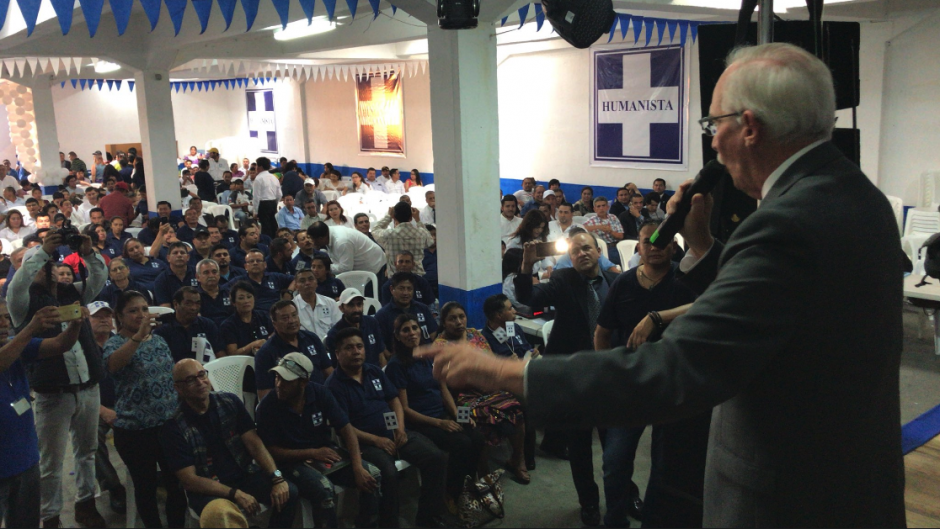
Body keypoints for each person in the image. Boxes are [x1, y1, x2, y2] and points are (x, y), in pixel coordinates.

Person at [420, 42, 907, 528]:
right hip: (854, 477)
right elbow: (770, 312)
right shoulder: (858, 198)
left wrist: (504, 374)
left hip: (793, 498)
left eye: (715, 125)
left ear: (751, 126)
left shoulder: (785, 224)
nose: (713, 143)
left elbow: (677, 367)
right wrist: (701, 249)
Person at [594, 220, 702, 528]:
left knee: (664, 465)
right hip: (630, 384)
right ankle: (614, 519)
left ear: (672, 245)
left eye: (662, 241)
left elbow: (705, 305)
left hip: (670, 383)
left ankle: (653, 520)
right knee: (615, 462)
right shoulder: (624, 283)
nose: (655, 247)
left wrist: (656, 318)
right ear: (638, 246)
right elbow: (602, 333)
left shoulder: (684, 279)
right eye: (648, 242)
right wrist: (607, 375)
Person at [516, 231, 621, 525]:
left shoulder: (615, 282)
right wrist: (527, 266)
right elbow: (530, 298)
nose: (581, 254)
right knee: (579, 447)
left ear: (598, 251)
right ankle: (588, 503)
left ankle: (624, 494)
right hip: (574, 378)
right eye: (575, 251)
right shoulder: (563, 280)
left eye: (587, 248)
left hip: (607, 376)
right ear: (570, 258)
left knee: (616, 446)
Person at [7, 232, 109, 528]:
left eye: (46, 262)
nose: (42, 266)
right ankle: (50, 516)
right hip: (52, 392)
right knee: (50, 462)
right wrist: (43, 249)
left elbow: (99, 277)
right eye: (36, 263)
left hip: (88, 385)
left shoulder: (70, 292)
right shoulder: (21, 302)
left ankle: (86, 503)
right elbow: (21, 280)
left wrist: (89, 253)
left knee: (87, 452)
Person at [326, 327, 447, 528]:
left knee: (435, 457)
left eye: (359, 346)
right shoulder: (334, 386)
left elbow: (394, 400)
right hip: (366, 444)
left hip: (394, 433)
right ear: (337, 354)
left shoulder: (373, 371)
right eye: (349, 348)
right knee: (388, 473)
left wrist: (399, 428)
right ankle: (390, 523)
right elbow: (344, 429)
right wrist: (376, 440)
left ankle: (429, 519)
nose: (356, 351)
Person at [161, 358, 299, 528]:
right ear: (178, 388)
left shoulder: (229, 402)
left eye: (202, 374)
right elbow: (189, 480)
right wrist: (234, 494)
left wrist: (277, 478)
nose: (200, 382)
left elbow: (255, 444)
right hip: (208, 489)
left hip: (244, 474)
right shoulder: (173, 426)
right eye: (190, 380)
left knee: (288, 492)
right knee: (221, 515)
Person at [255, 352, 382, 528]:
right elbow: (270, 451)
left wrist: (358, 466)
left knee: (372, 475)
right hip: (291, 462)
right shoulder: (268, 406)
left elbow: (347, 430)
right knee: (324, 489)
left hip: (325, 454)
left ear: (303, 382)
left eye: (286, 380)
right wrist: (312, 452)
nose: (279, 384)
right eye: (277, 377)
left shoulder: (320, 393)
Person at [103, 290, 188, 528]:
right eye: (132, 310)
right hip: (135, 431)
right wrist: (138, 337)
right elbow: (113, 366)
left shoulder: (159, 340)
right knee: (146, 489)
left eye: (144, 309)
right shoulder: (114, 344)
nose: (140, 314)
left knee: (177, 485)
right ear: (119, 316)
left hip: (169, 426)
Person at [0, 300, 86, 529]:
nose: (3, 324)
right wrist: (29, 329)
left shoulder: (14, 344)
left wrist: (75, 326)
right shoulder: (15, 346)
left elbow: (59, 344)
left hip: (26, 461)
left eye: (6, 318)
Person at [386, 313, 487, 505]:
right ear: (398, 336)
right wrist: (440, 423)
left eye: (414, 328)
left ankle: (465, 485)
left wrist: (459, 415)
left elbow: (443, 389)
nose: (412, 333)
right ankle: (451, 493)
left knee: (477, 437)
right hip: (421, 421)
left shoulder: (429, 356)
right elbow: (405, 409)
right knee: (461, 443)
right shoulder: (396, 365)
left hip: (443, 414)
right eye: (405, 330)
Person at [434, 302, 530, 484]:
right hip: (464, 396)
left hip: (490, 389)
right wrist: (454, 411)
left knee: (516, 408)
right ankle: (484, 474)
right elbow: (443, 384)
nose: (458, 322)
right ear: (444, 322)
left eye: (461, 317)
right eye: (452, 318)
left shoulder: (475, 335)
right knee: (481, 421)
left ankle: (517, 460)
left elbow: (492, 361)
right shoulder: (440, 345)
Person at [254, 300, 333, 400]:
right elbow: (264, 395)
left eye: (294, 315)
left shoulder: (312, 339)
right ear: (274, 324)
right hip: (289, 406)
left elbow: (329, 373)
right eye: (285, 318)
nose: (291, 320)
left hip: (320, 400)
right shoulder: (265, 353)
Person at [154, 287, 225, 364]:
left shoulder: (208, 325)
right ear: (176, 304)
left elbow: (220, 355)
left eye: (197, 303)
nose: (194, 308)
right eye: (188, 303)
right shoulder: (163, 330)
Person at [325, 288, 388, 366]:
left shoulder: (372, 323)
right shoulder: (334, 334)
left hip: (375, 374)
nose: (356, 309)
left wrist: (383, 376)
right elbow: (338, 368)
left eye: (359, 304)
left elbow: (381, 355)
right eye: (351, 305)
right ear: (341, 308)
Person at [306, 222, 387, 281]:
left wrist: (325, 268)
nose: (311, 242)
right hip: (364, 267)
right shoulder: (328, 233)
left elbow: (346, 268)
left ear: (320, 238)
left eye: (312, 239)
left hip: (376, 268)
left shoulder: (341, 241)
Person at [375, 272, 437, 347]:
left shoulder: (423, 308)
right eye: (401, 288)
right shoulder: (382, 316)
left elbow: (433, 333)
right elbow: (380, 345)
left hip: (425, 355)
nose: (405, 293)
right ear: (392, 289)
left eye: (409, 289)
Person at [223, 249, 293, 314]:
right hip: (253, 318)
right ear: (245, 266)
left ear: (265, 264)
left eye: (258, 261)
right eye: (251, 261)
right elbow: (222, 290)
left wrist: (289, 292)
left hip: (277, 315)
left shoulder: (275, 277)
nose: (255, 263)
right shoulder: (238, 281)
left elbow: (297, 278)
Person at [372, 202, 434, 276]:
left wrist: (388, 217)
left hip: (395, 280)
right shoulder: (421, 233)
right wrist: (418, 220)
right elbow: (430, 241)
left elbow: (375, 230)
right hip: (417, 278)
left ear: (394, 217)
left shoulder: (388, 235)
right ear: (411, 218)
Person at [220, 281, 273, 357]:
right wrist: (253, 345)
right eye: (241, 298)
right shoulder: (228, 325)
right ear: (233, 302)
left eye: (249, 297)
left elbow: (275, 334)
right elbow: (232, 354)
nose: (246, 301)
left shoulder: (263, 316)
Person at [480, 294, 538, 360]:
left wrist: (533, 352)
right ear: (499, 315)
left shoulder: (515, 327)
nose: (514, 311)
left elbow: (528, 348)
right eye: (510, 309)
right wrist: (506, 364)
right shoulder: (484, 340)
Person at [292, 266, 341, 340]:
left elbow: (339, 328)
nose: (307, 283)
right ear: (296, 286)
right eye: (302, 281)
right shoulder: (292, 307)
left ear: (316, 283)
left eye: (311, 279)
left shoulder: (330, 303)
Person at [153, 241, 199, 306]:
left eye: (182, 253)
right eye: (175, 253)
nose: (179, 255)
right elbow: (166, 308)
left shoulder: (198, 273)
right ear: (168, 258)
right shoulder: (161, 280)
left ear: (188, 257)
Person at [582, 196, 624, 266]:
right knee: (617, 258)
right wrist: (599, 227)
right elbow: (582, 228)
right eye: (598, 206)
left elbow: (621, 236)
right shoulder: (592, 220)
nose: (601, 208)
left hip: (615, 246)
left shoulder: (613, 218)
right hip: (601, 248)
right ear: (594, 209)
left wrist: (611, 231)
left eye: (603, 206)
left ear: (607, 207)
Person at [197, 259, 234, 326]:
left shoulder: (230, 293)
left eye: (214, 272)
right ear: (198, 277)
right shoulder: (194, 296)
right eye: (206, 272)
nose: (211, 275)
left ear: (219, 275)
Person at [253, 157, 283, 239]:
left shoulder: (258, 178)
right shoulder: (274, 177)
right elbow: (279, 194)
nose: (256, 168)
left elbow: (256, 196)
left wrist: (255, 211)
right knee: (274, 225)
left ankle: (268, 244)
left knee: (266, 226)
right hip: (273, 202)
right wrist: (275, 203)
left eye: (256, 165)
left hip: (263, 204)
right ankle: (276, 242)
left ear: (260, 167)